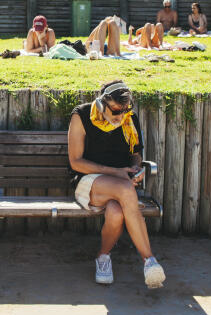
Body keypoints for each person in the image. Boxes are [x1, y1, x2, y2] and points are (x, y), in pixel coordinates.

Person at [68, 80, 166, 288]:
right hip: (89, 181)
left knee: (116, 212)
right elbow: (75, 162)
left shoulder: (129, 118)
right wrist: (115, 172)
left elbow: (136, 155)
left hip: (122, 184)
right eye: (115, 112)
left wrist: (136, 169)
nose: (120, 117)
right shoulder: (82, 116)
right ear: (102, 105)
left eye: (124, 112)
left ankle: (103, 258)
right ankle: (149, 261)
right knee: (124, 189)